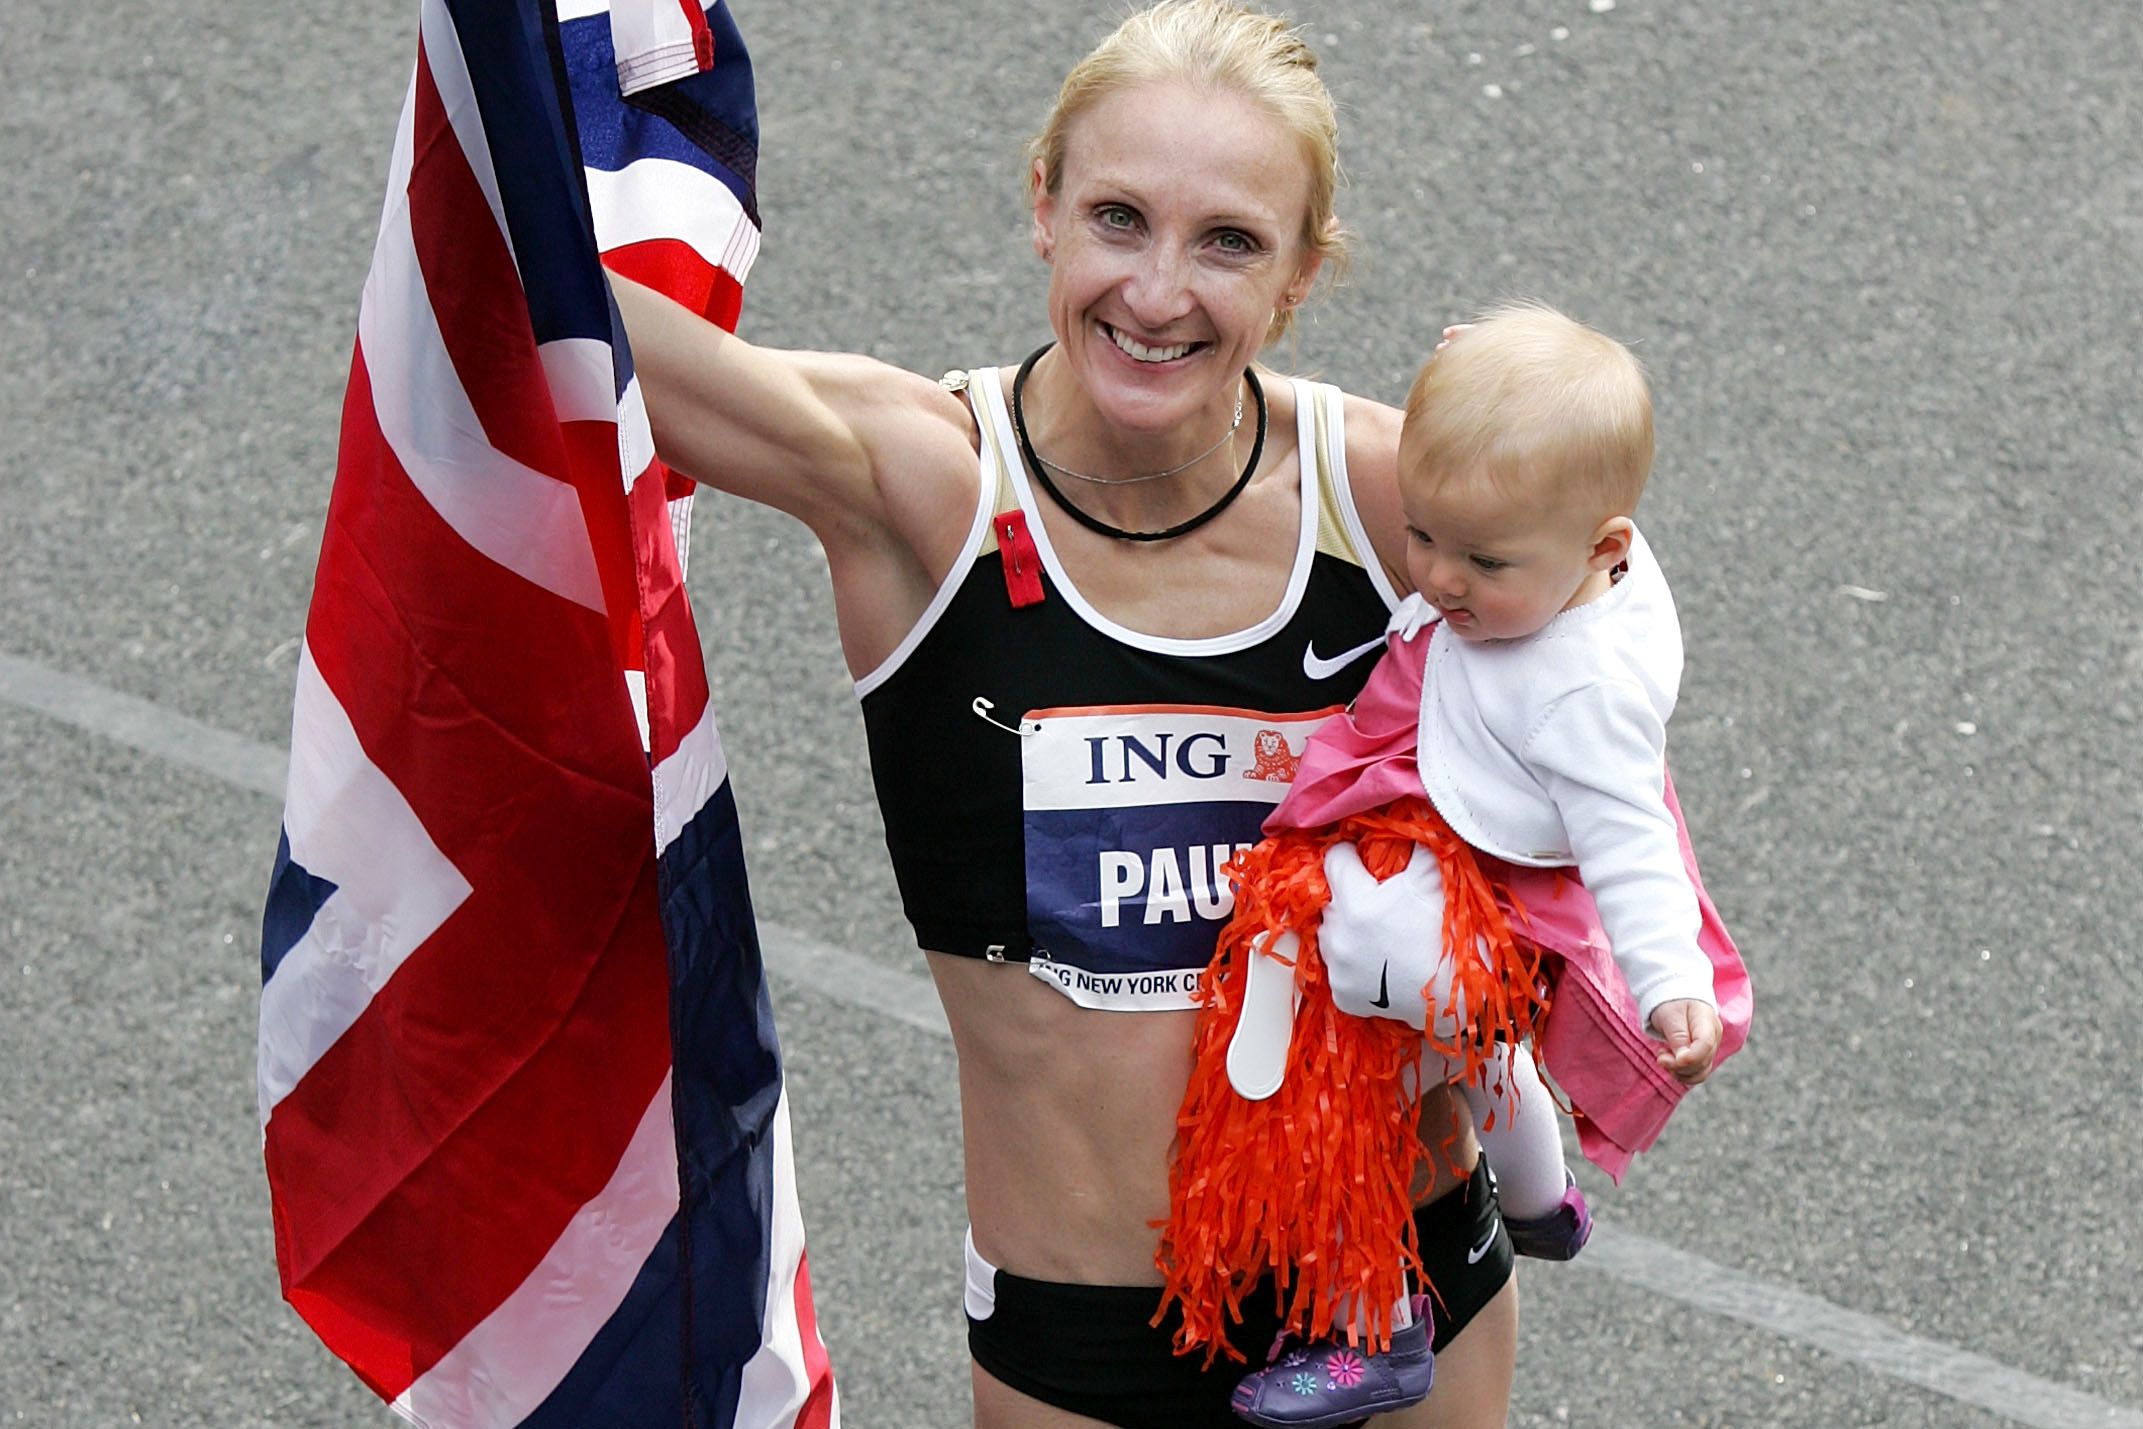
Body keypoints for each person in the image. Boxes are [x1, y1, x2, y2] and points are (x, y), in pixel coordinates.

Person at [613, 3, 1522, 1422]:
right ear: (1039, 207)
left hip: (1391, 1289)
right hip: (1087, 1345)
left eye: (1227, 241)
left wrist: (1532, 421)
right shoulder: (923, 485)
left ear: (1299, 276)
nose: (1156, 294)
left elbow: (1604, 623)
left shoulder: (1392, 499)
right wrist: (493, 136)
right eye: (1116, 217)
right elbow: (588, 345)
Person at [1172, 306, 1747, 1427]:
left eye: (1483, 560)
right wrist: (1470, 363)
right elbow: (1530, 429)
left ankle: (1368, 1322)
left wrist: (1670, 982)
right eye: (1425, 534)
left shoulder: (1582, 690)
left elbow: (1635, 841)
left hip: (1465, 897)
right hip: (1459, 866)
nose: (1437, 575)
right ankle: (1537, 1197)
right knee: (1470, 1057)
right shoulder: (1568, 548)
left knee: (1342, 1085)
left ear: (1604, 547)